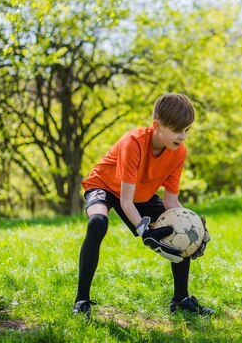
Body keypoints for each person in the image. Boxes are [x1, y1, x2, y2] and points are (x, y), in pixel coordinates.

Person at [73, 93, 213, 318]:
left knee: (182, 225)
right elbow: (124, 201)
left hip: (138, 194)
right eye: (178, 130)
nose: (183, 136)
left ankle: (181, 299)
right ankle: (82, 301)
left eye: (187, 130)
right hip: (105, 186)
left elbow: (170, 202)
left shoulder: (178, 152)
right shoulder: (134, 142)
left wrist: (193, 223)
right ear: (157, 125)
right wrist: (145, 230)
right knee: (97, 223)